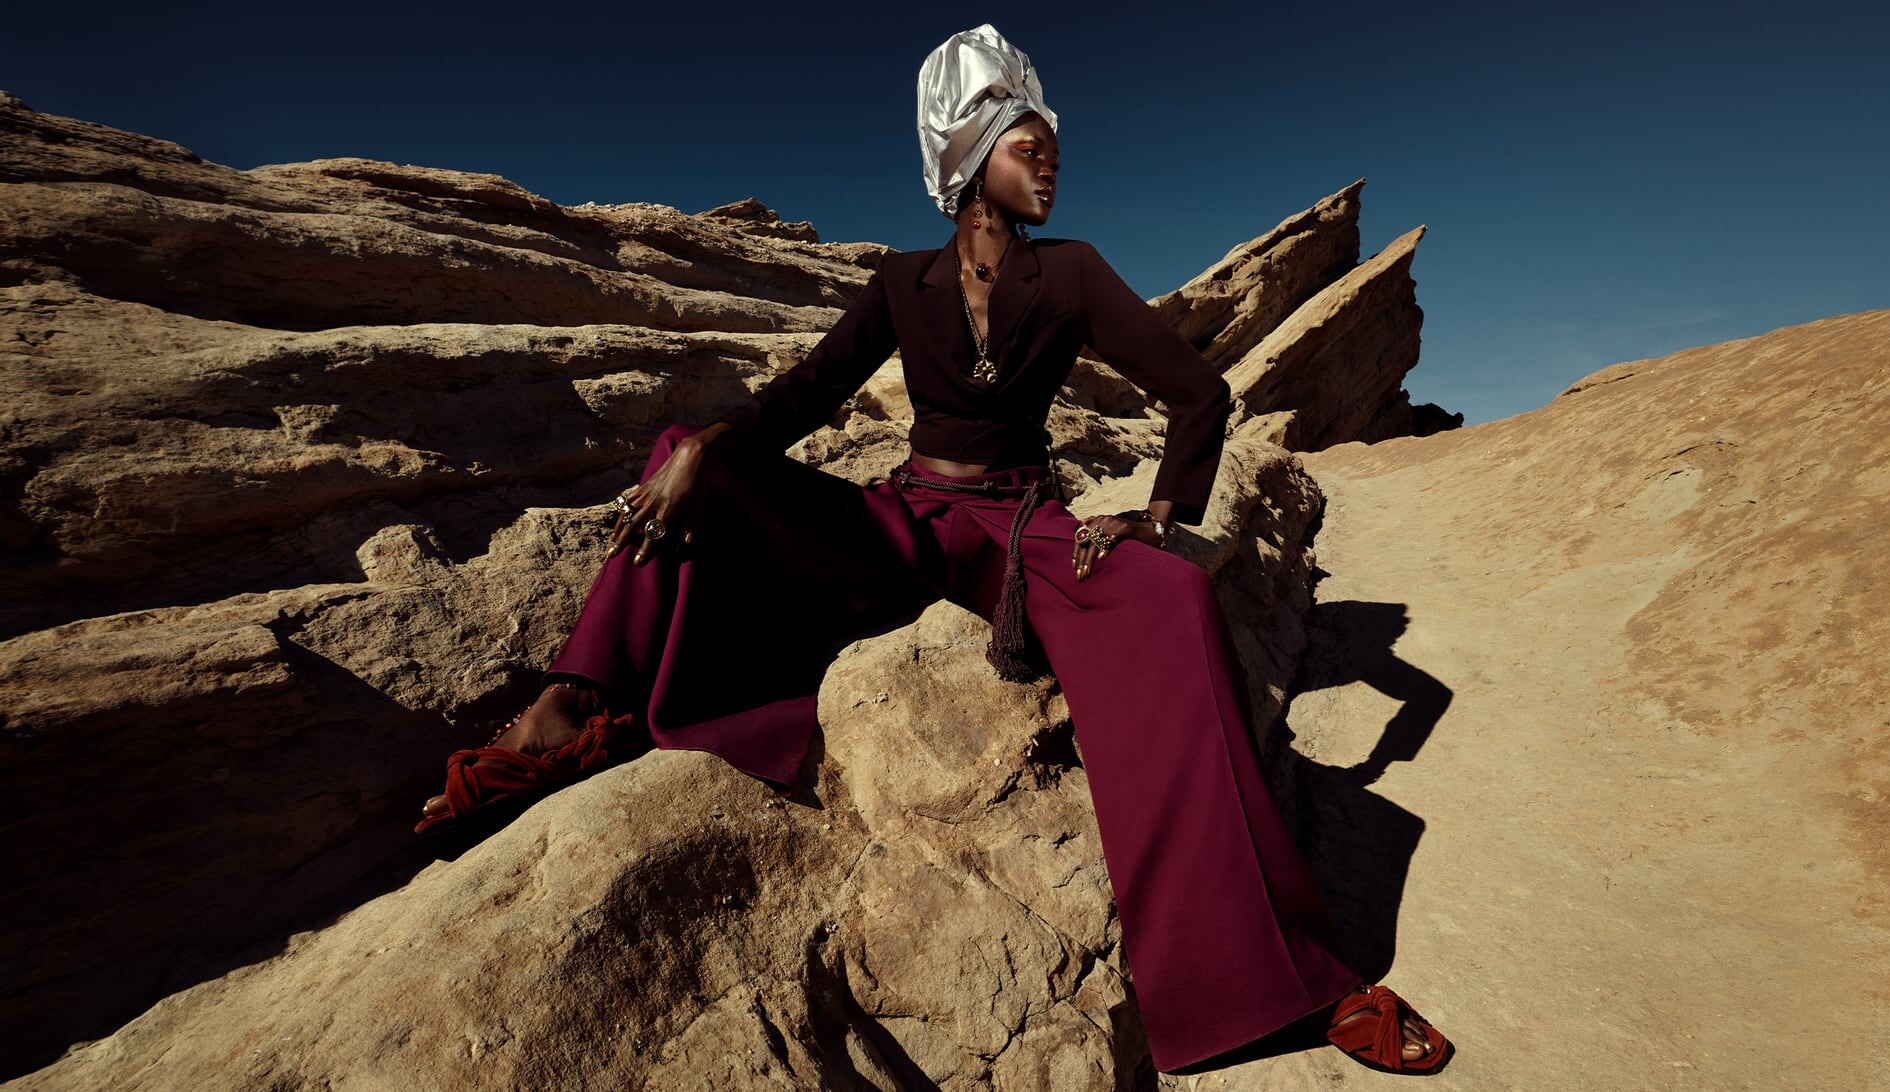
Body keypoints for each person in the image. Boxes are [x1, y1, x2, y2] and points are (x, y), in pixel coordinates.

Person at [415, 23, 1452, 1077]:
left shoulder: (1074, 273)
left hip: (1021, 528)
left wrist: (1160, 513)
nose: (1050, 163)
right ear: (970, 157)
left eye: (1052, 148)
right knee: (687, 454)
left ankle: (1279, 980)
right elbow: (807, 395)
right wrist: (710, 447)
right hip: (905, 521)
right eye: (1028, 146)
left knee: (1172, 599)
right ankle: (570, 711)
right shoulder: (899, 282)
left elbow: (1199, 393)